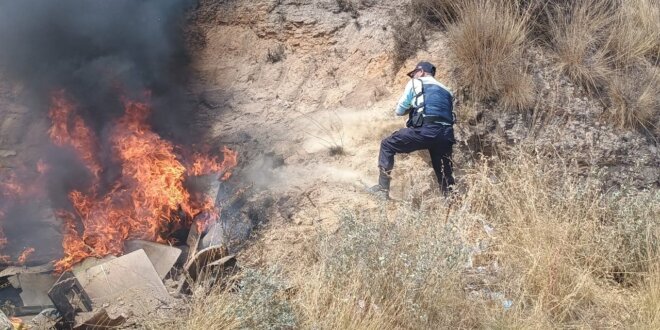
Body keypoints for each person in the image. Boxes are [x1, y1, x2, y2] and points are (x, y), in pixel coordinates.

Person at [368, 61, 455, 199]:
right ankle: (452, 204)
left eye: (414, 73)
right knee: (445, 174)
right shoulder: (447, 91)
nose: (413, 76)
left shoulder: (416, 83)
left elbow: (399, 110)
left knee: (387, 145)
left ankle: (382, 189)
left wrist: (412, 108)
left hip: (425, 131)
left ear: (421, 72)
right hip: (446, 135)